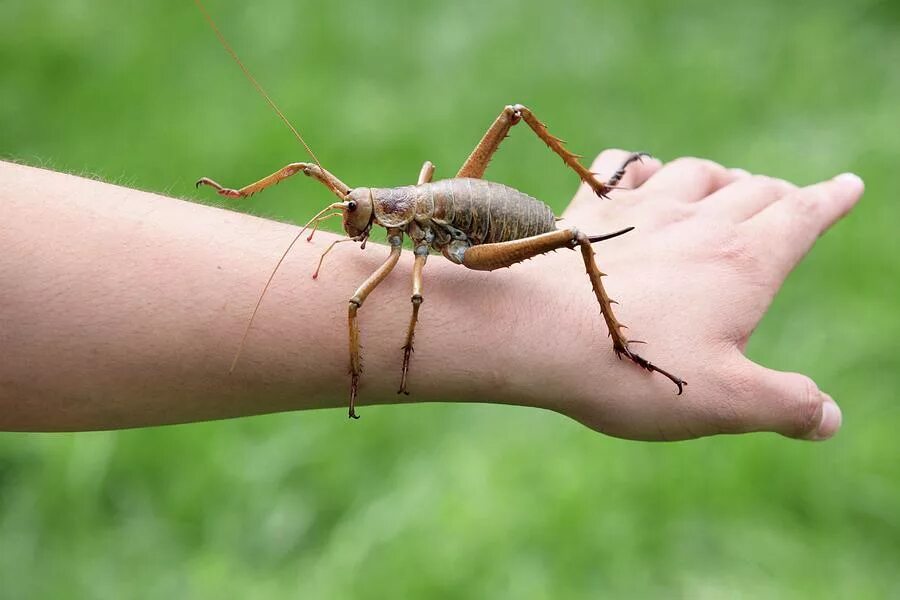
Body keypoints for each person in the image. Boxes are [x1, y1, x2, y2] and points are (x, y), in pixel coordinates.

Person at [0, 155, 863, 440]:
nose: (355, 224)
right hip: (445, 217)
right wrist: (242, 203)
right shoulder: (381, 213)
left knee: (547, 238)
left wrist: (399, 351)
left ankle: (618, 317)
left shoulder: (412, 244)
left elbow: (400, 299)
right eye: (357, 216)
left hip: (484, 233)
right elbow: (319, 178)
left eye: (361, 217)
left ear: (386, 215)